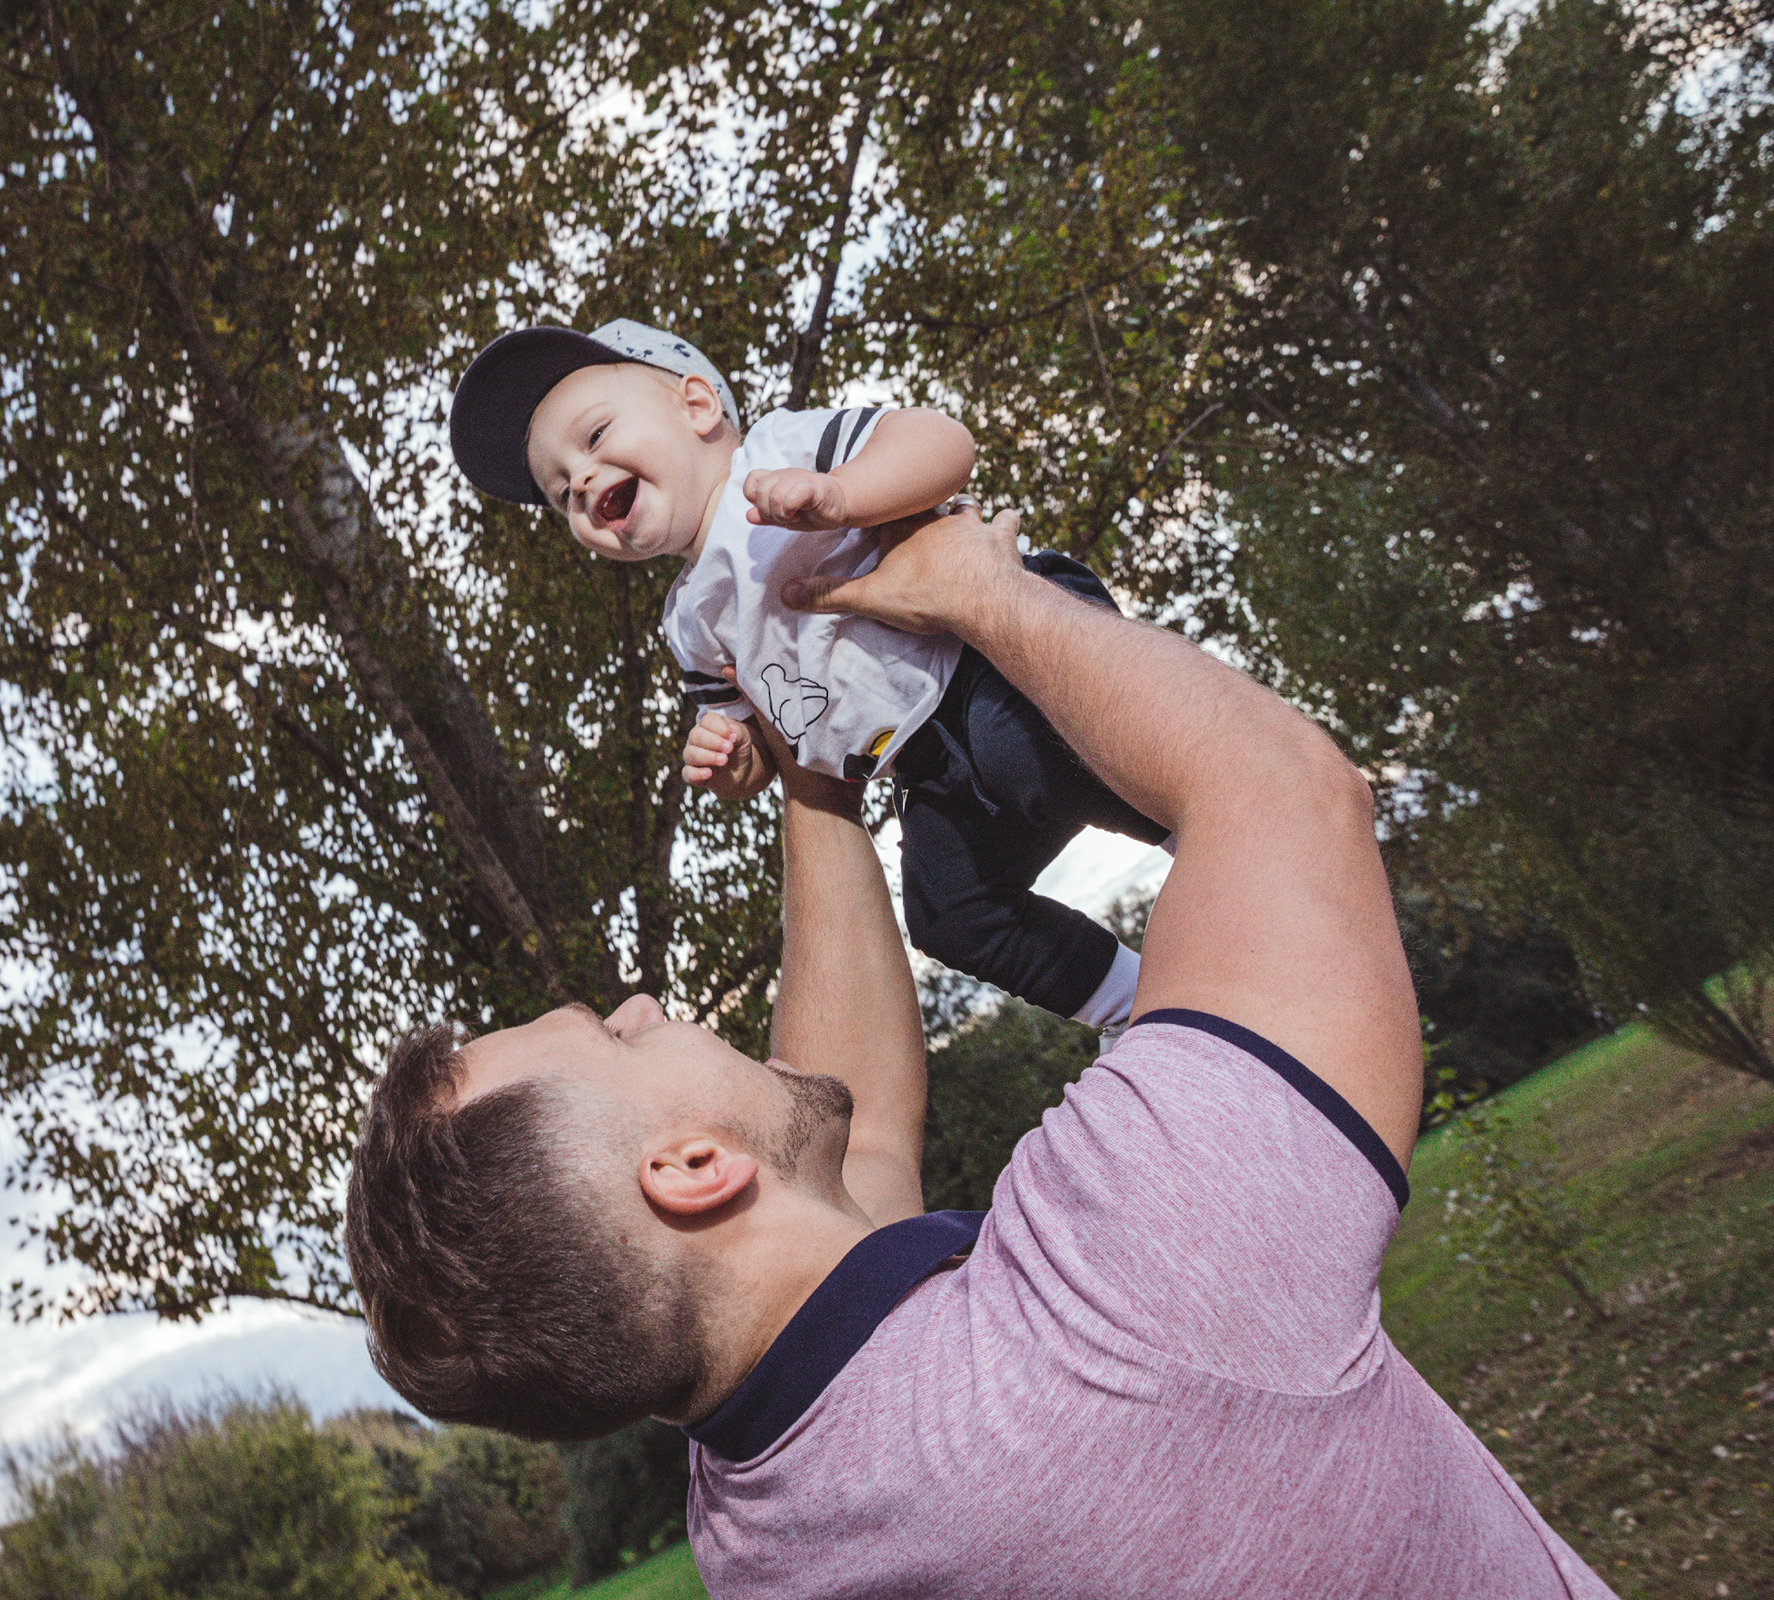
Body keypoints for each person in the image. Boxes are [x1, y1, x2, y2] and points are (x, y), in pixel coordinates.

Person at [344, 505, 1615, 1597]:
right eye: (606, 1035)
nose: (634, 1003)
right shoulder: (1115, 1306)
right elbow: (1283, 789)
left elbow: (860, 1152)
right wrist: (983, 592)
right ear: (685, 1166)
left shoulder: (765, 1528)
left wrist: (815, 776)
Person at [447, 320, 1164, 1035]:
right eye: (563, 493)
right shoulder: (689, 625)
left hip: (989, 658)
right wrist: (730, 762)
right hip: (924, 762)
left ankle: (1205, 829)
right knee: (949, 918)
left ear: (696, 407)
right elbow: (755, 739)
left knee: (1037, 753)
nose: (580, 481)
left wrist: (845, 493)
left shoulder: (778, 454)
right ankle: (1135, 1005)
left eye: (595, 436)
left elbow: (944, 443)